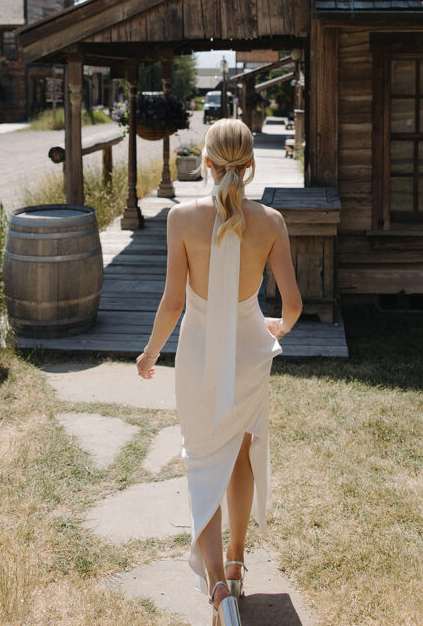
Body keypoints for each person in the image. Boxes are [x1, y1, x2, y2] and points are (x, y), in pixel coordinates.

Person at [136, 118, 302, 625]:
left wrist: (148, 355)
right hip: (250, 354)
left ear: (205, 163)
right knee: (240, 455)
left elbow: (171, 305)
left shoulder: (181, 218)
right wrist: (276, 328)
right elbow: (293, 304)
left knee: (202, 460)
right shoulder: (271, 221)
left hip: (200, 355)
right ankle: (235, 563)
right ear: (250, 166)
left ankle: (219, 595)